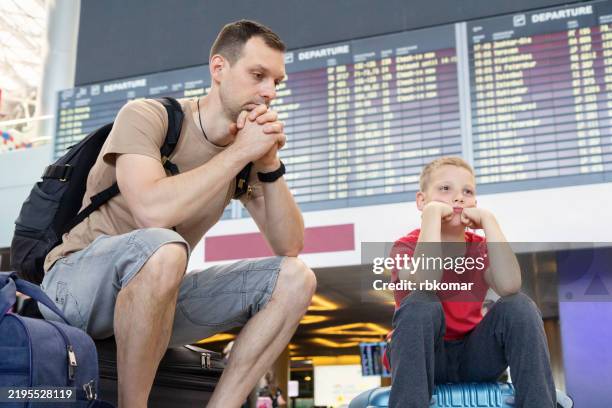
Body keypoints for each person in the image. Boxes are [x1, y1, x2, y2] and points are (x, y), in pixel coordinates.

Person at [38, 20, 316, 408]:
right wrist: (240, 153)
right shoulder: (147, 116)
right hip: (75, 286)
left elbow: (290, 245)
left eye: (276, 82)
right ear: (218, 68)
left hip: (155, 294)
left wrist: (268, 161)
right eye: (258, 75)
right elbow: (153, 211)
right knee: (165, 246)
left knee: (295, 278)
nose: (269, 92)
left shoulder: (249, 154)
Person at [386, 156, 556, 407]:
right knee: (422, 301)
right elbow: (427, 280)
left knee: (518, 305)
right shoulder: (405, 247)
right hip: (425, 360)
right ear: (422, 201)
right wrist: (432, 215)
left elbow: (510, 287)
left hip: (475, 357)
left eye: (467, 191)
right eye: (445, 189)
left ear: (474, 202)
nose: (458, 198)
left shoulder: (479, 248)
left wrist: (490, 222)